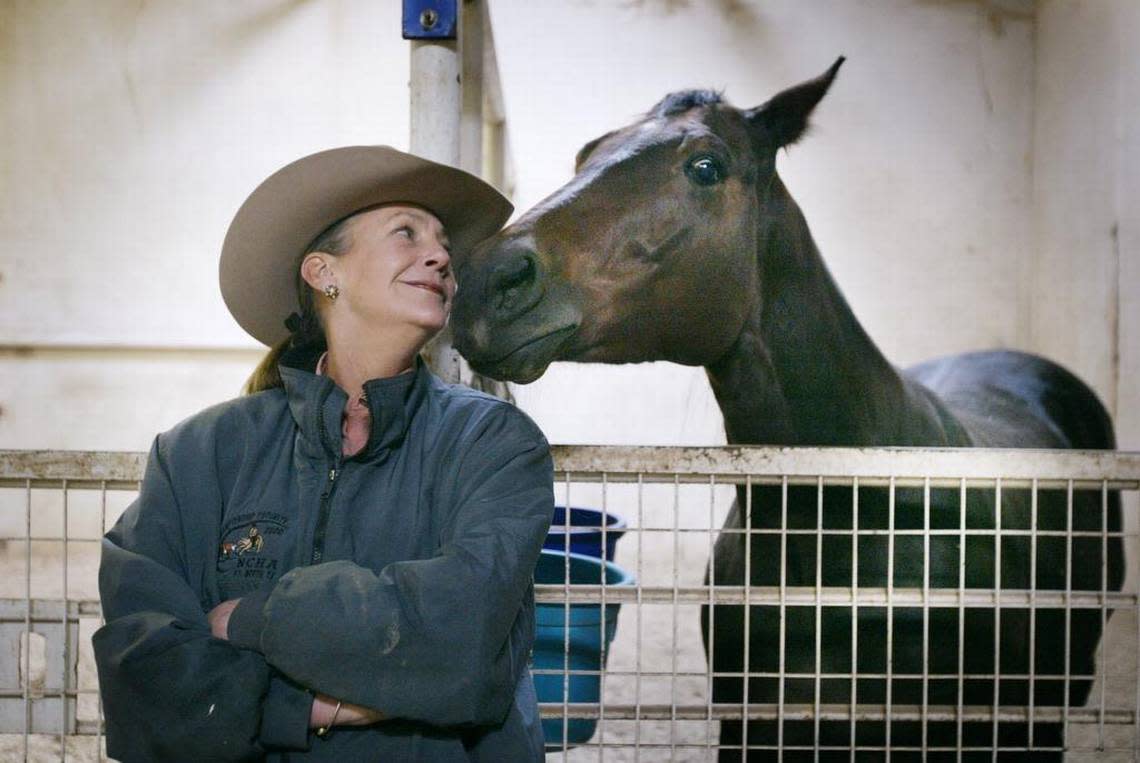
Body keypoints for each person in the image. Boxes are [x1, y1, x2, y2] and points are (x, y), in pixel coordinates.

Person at [93, 146, 554, 761]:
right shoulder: (198, 454)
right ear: (322, 272)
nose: (441, 258)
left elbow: (464, 639)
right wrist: (304, 709)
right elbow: (143, 661)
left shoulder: (494, 444)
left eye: (443, 244)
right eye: (406, 234)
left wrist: (256, 620)